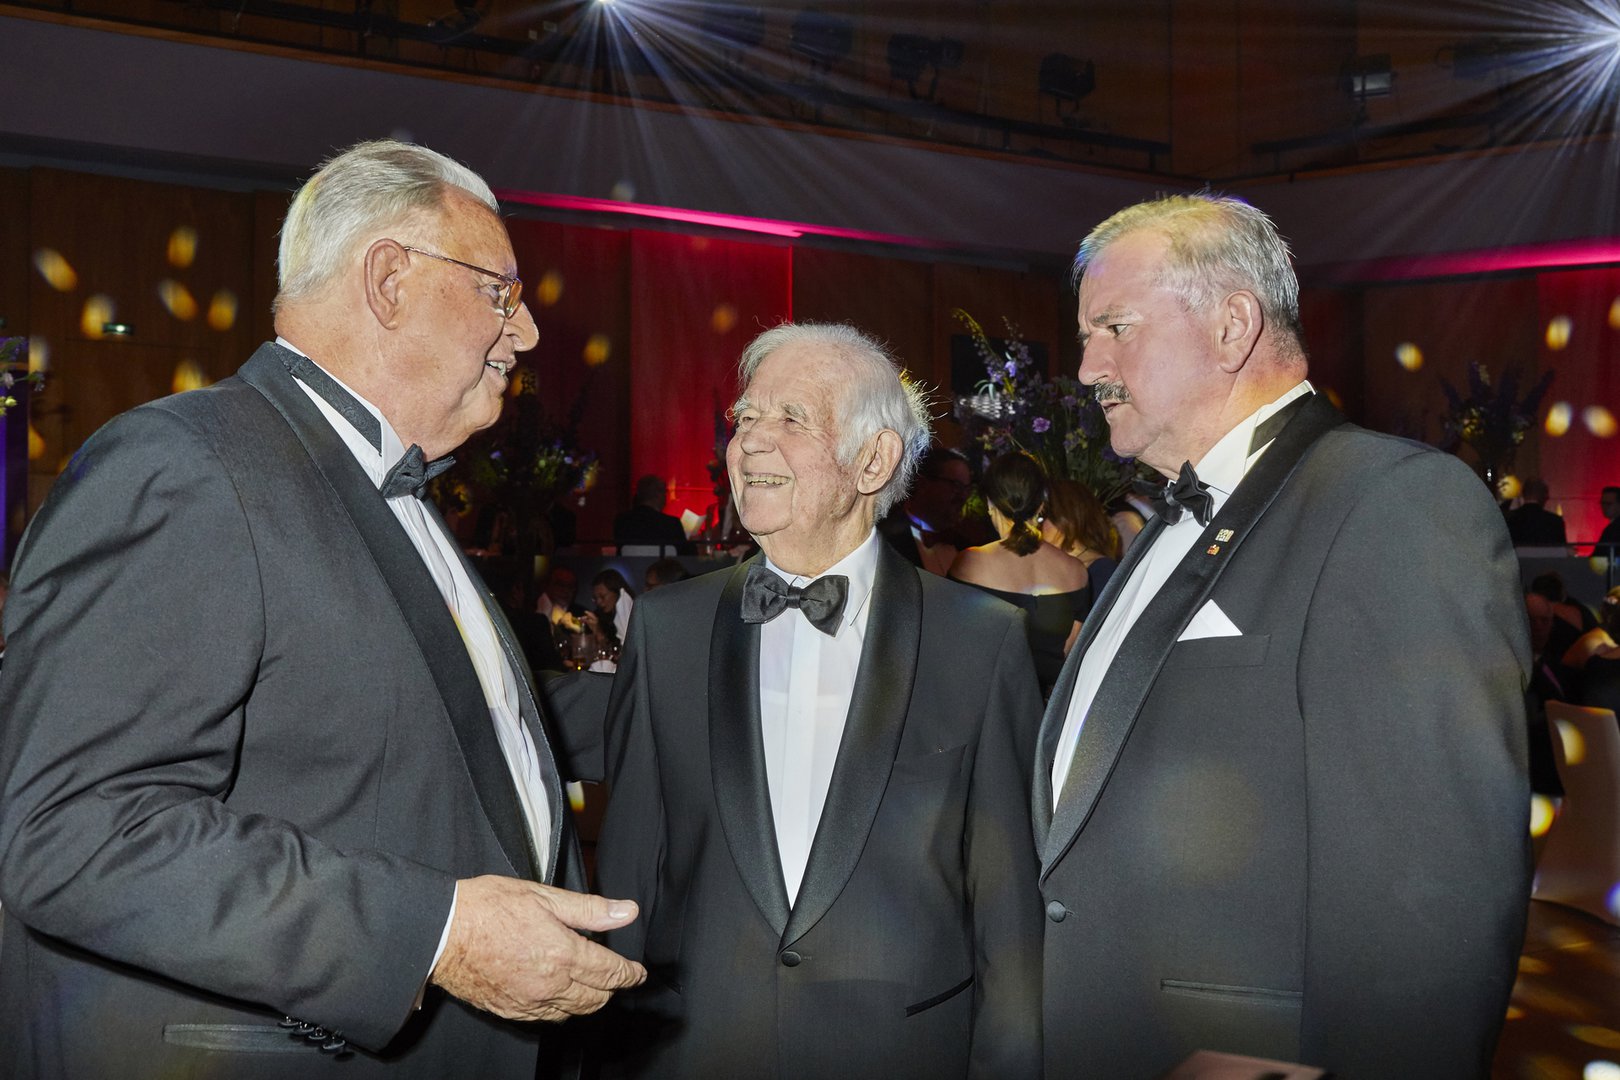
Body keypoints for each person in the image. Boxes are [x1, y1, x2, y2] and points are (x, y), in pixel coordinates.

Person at [0, 140, 645, 1080]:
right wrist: (437, 934)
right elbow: (73, 832)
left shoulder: (379, 484)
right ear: (390, 281)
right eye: (500, 293)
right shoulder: (188, 466)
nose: (530, 332)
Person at [1038, 194, 1530, 1079]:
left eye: (1114, 328)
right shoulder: (1163, 519)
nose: (1087, 367)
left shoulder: (1390, 505)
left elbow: (1430, 897)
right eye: (1085, 337)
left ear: (1232, 327)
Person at [588, 322, 1044, 1079]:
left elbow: (1009, 910)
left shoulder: (980, 640)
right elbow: (630, 873)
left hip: (901, 1054)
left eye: (791, 418)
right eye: (746, 417)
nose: (749, 442)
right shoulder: (667, 630)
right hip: (697, 1049)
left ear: (874, 460)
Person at [949, 451, 1090, 697]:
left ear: (990, 503)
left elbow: (954, 644)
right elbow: (1071, 655)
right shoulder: (1076, 571)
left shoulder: (970, 562)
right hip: (1047, 709)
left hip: (988, 704)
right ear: (1041, 504)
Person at [877, 445, 974, 575]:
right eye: (956, 486)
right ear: (923, 484)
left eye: (967, 488)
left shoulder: (966, 547)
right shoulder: (882, 539)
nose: (963, 496)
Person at [1040, 475, 1121, 601]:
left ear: (1066, 517)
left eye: (1041, 517)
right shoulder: (1047, 567)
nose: (1034, 525)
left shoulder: (1102, 571)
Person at [613, 474, 692, 554]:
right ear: (658, 495)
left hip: (630, 562)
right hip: (663, 562)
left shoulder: (621, 521)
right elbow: (685, 554)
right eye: (665, 492)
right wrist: (693, 543)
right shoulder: (672, 524)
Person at [581, 568, 634, 654]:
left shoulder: (633, 615)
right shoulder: (597, 617)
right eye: (595, 598)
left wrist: (599, 633)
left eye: (602, 596)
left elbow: (622, 652)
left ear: (617, 593)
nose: (598, 602)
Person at [1504, 478, 1567, 547]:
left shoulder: (1508, 519)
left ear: (1523, 494)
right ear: (1544, 496)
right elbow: (1562, 550)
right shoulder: (1555, 522)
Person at [1595, 485, 1620, 556]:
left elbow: (1600, 555)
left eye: (1609, 504)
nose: (1604, 507)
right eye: (1602, 503)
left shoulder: (1613, 529)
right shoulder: (1612, 527)